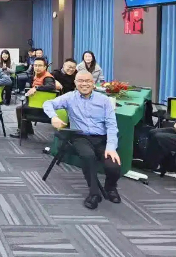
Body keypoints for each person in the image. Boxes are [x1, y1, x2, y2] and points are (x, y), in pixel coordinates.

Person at [42, 70, 121, 210]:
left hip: (101, 138)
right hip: (80, 136)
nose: (84, 84)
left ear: (93, 83)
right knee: (88, 156)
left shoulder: (104, 100)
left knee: (113, 165)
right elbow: (47, 103)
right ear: (75, 83)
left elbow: (112, 125)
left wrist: (111, 147)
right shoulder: (69, 97)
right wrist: (53, 117)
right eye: (80, 81)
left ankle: (110, 187)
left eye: (88, 81)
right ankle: (94, 193)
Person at [10, 58, 57, 139]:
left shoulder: (47, 77)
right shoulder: (36, 75)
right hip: (36, 104)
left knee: (20, 109)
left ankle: (22, 133)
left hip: (42, 108)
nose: (37, 68)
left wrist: (36, 88)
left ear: (45, 67)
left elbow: (51, 86)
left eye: (40, 66)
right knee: (24, 106)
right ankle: (29, 130)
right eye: (35, 65)